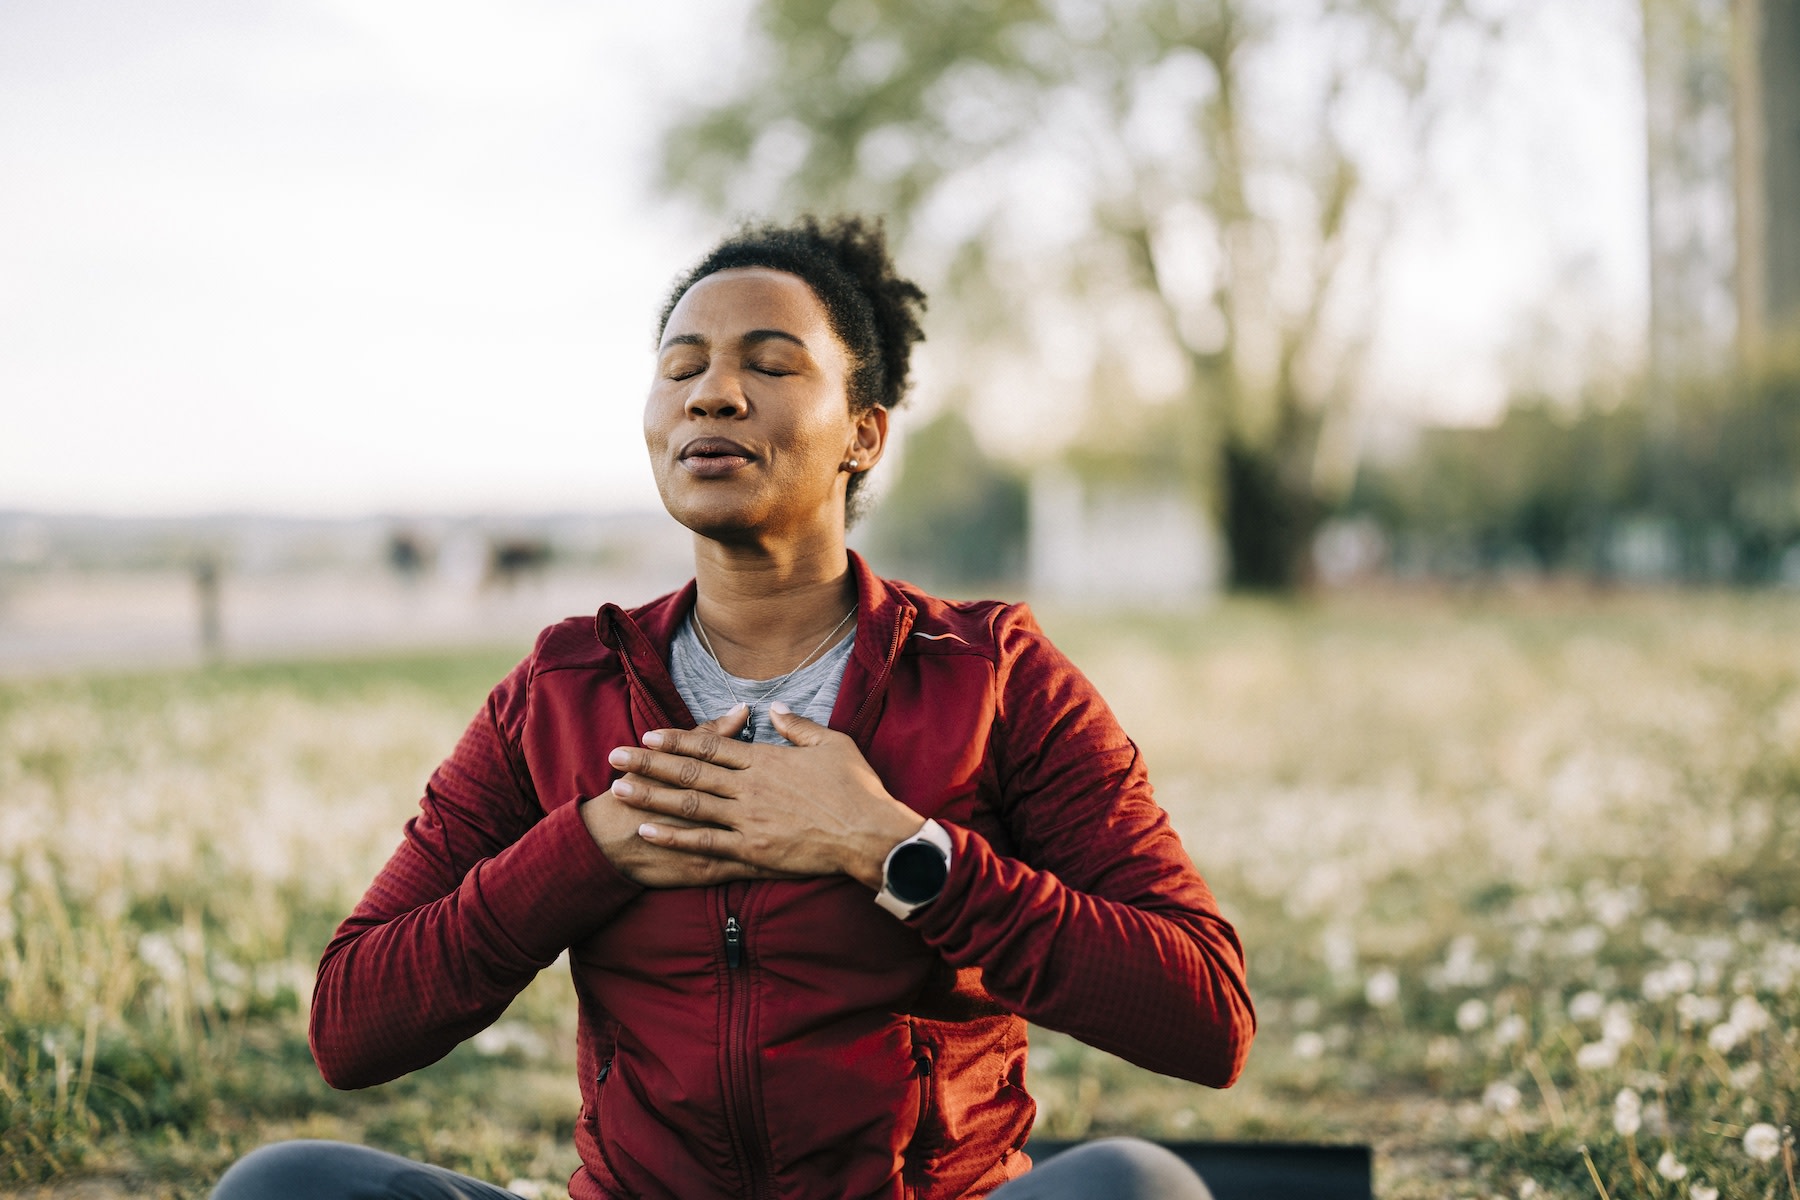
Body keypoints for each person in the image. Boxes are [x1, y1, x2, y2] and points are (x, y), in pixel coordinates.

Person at [212, 216, 1254, 1200]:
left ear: (864, 435)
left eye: (769, 364)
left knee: (1137, 1187)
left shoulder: (993, 676)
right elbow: (351, 1027)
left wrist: (894, 849)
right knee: (283, 1188)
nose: (712, 394)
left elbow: (1207, 1014)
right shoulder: (565, 689)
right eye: (681, 368)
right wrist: (583, 854)